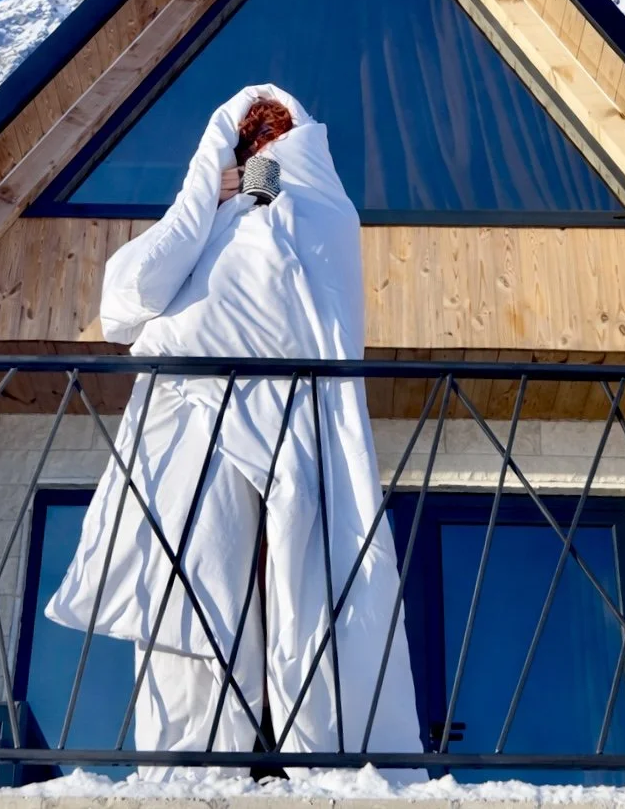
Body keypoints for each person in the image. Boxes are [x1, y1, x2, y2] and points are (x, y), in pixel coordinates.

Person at [46, 85, 422, 778]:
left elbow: (316, 294)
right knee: (198, 584)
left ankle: (313, 759)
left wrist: (267, 191)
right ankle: (197, 764)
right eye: (249, 143)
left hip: (287, 418)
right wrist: (202, 195)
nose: (261, 154)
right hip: (194, 414)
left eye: (273, 140)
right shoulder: (203, 217)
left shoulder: (319, 206)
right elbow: (127, 301)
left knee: (301, 583)